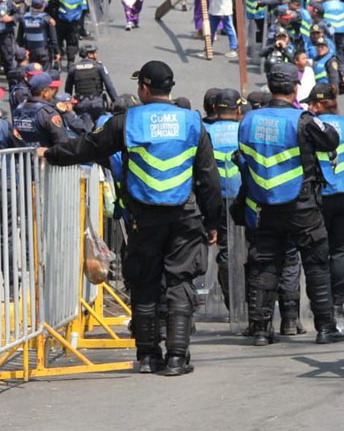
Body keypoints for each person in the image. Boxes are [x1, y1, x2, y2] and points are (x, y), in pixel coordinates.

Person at [41, 61, 222, 376]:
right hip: (184, 216)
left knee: (144, 283)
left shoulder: (126, 122)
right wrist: (212, 221)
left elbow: (87, 148)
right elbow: (209, 177)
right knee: (180, 282)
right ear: (170, 88)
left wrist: (51, 154)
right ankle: (177, 357)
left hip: (143, 218)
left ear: (145, 88)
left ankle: (148, 357)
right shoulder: (192, 121)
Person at [233, 62, 344, 346]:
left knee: (264, 265)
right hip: (301, 204)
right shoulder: (303, 120)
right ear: (295, 88)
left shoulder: (248, 119)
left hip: (263, 204)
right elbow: (330, 140)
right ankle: (325, 327)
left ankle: (261, 330)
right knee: (316, 262)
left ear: (270, 86)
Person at [304, 83, 344, 324]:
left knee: (319, 250)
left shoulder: (309, 125)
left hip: (320, 196)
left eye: (311, 103)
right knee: (342, 251)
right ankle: (337, 302)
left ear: (318, 104)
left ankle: (321, 303)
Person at [202, 88, 243, 309]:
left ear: (215, 108)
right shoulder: (244, 129)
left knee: (225, 249)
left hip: (217, 197)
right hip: (244, 197)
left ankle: (232, 302)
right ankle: (246, 299)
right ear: (238, 109)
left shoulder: (206, 131)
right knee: (247, 248)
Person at [13, 72, 71, 148]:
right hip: (45, 154)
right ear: (45, 92)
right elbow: (62, 141)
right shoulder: (48, 113)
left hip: (23, 154)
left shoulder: (19, 109)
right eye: (51, 89)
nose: (52, 93)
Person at [65, 44, 118, 124]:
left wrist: (68, 103)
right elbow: (109, 86)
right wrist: (116, 101)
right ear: (89, 54)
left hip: (81, 104)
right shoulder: (98, 66)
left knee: (84, 126)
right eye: (95, 52)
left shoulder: (73, 68)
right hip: (97, 104)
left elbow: (68, 89)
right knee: (101, 126)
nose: (96, 55)